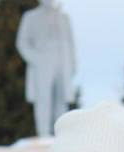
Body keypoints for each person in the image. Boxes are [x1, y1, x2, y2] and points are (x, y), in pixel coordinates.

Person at [16, 0, 76, 138]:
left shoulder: (64, 18)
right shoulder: (31, 17)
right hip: (42, 60)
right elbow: (22, 42)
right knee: (43, 97)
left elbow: (70, 43)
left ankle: (62, 133)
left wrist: (72, 64)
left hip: (62, 60)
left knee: (61, 98)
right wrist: (35, 59)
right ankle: (44, 133)